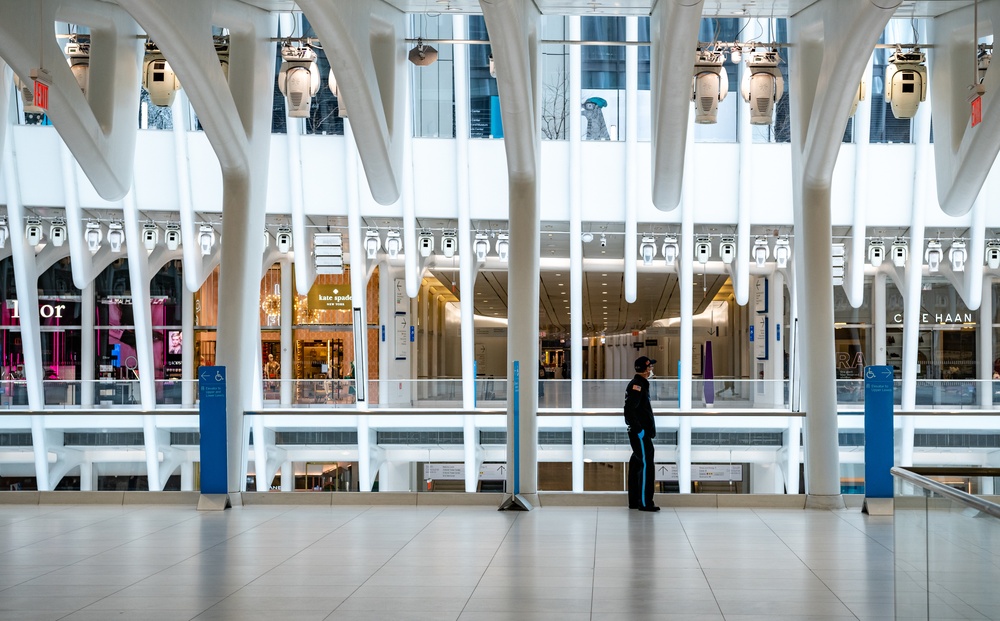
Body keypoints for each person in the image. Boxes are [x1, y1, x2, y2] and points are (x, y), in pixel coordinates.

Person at [625, 355, 659, 512]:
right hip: (640, 434)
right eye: (650, 366)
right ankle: (645, 502)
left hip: (641, 433)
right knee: (646, 465)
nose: (651, 369)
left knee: (637, 464)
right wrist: (639, 430)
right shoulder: (637, 386)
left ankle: (635, 501)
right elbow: (630, 410)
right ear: (645, 369)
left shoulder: (641, 384)